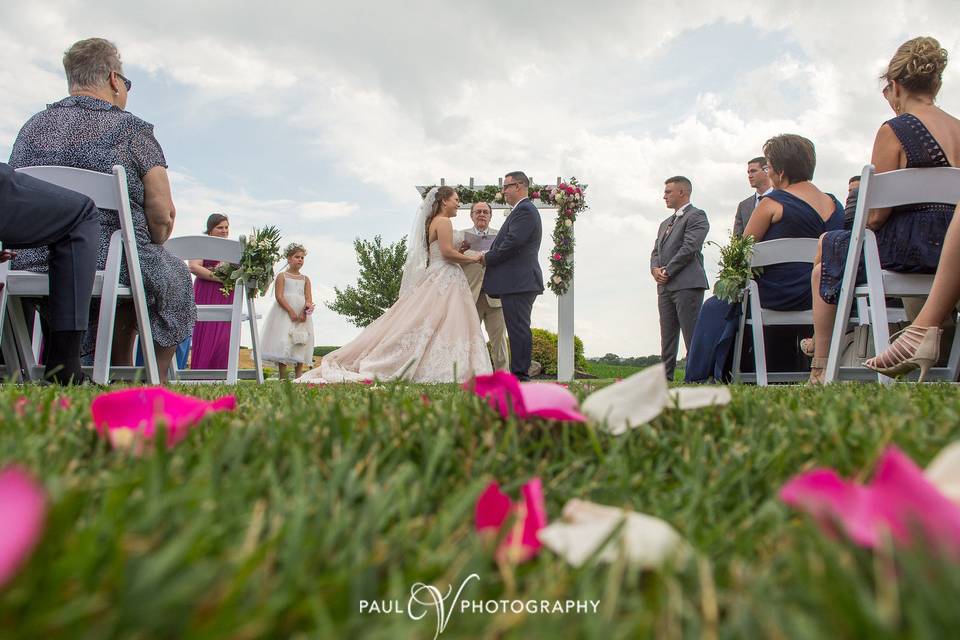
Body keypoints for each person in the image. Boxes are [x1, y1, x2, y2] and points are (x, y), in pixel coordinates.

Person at [9, 37, 195, 383]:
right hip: (114, 259)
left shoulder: (30, 129)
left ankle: (95, 368)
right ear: (113, 79)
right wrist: (151, 240)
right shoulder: (132, 130)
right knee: (170, 274)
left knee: (134, 268)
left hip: (32, 260)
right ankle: (151, 379)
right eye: (126, 82)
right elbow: (163, 214)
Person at [808, 36, 959, 383]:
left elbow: (876, 216)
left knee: (826, 249)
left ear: (894, 86)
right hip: (949, 251)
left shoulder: (895, 130)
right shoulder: (958, 128)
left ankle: (820, 362)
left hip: (906, 249)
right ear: (935, 83)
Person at [685, 135, 844, 382]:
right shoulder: (834, 203)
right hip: (826, 293)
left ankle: (702, 374)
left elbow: (741, 255)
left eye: (768, 167)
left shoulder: (771, 204)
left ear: (779, 171)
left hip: (780, 294)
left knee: (715, 306)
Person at [297, 187, 492, 383]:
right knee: (445, 321)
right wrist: (474, 258)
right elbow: (447, 253)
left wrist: (461, 248)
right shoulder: (444, 222)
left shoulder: (433, 222)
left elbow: (442, 250)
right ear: (444, 202)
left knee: (432, 321)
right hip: (445, 276)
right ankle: (451, 366)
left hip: (438, 275)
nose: (458, 204)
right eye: (456, 200)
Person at [0, 162, 99, 384]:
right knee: (82, 213)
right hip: (94, 262)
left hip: (19, 261)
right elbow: (161, 219)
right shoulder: (132, 135)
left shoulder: (28, 130)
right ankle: (65, 364)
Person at [865, 202, 960, 381]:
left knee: (828, 251)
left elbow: (877, 217)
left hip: (912, 249)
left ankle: (921, 331)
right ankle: (922, 332)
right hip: (943, 239)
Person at [480, 172, 544, 381]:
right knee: (518, 327)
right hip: (517, 282)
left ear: (519, 186)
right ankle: (519, 372)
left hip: (519, 281)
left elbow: (513, 242)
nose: (504, 191)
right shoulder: (522, 210)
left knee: (518, 329)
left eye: (507, 186)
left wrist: (487, 258)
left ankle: (520, 374)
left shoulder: (525, 210)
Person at [650, 176, 709, 381]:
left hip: (687, 284)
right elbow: (655, 251)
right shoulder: (664, 223)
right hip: (665, 287)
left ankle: (695, 376)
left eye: (668, 192)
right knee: (667, 335)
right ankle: (665, 377)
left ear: (682, 192)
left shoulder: (697, 216)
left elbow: (689, 247)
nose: (664, 196)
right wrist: (655, 269)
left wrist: (668, 271)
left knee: (691, 333)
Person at [460, 201, 509, 371]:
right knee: (468, 340)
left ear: (490, 215)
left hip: (495, 297)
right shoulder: (461, 236)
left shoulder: (501, 236)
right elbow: (452, 262)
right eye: (478, 211)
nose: (481, 214)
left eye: (485, 212)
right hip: (470, 296)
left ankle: (503, 376)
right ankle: (468, 376)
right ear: (471, 214)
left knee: (499, 341)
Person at [261, 243, 315, 379]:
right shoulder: (282, 276)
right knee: (284, 340)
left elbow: (308, 298)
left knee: (300, 341)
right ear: (289, 259)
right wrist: (290, 311)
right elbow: (279, 296)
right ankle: (283, 376)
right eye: (297, 257)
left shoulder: (305, 279)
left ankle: (299, 376)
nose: (300, 260)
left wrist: (305, 310)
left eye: (302, 258)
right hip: (284, 313)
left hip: (301, 314)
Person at [188, 213, 233, 369]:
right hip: (207, 292)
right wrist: (220, 278)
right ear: (210, 230)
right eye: (220, 227)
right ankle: (201, 370)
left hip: (227, 294)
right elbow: (194, 266)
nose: (224, 230)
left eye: (226, 227)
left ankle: (223, 373)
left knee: (225, 334)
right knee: (206, 330)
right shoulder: (202, 244)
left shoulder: (232, 248)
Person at [733, 157, 773, 237]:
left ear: (767, 170)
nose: (750, 176)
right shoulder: (743, 206)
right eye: (748, 172)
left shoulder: (782, 199)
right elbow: (737, 239)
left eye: (753, 171)